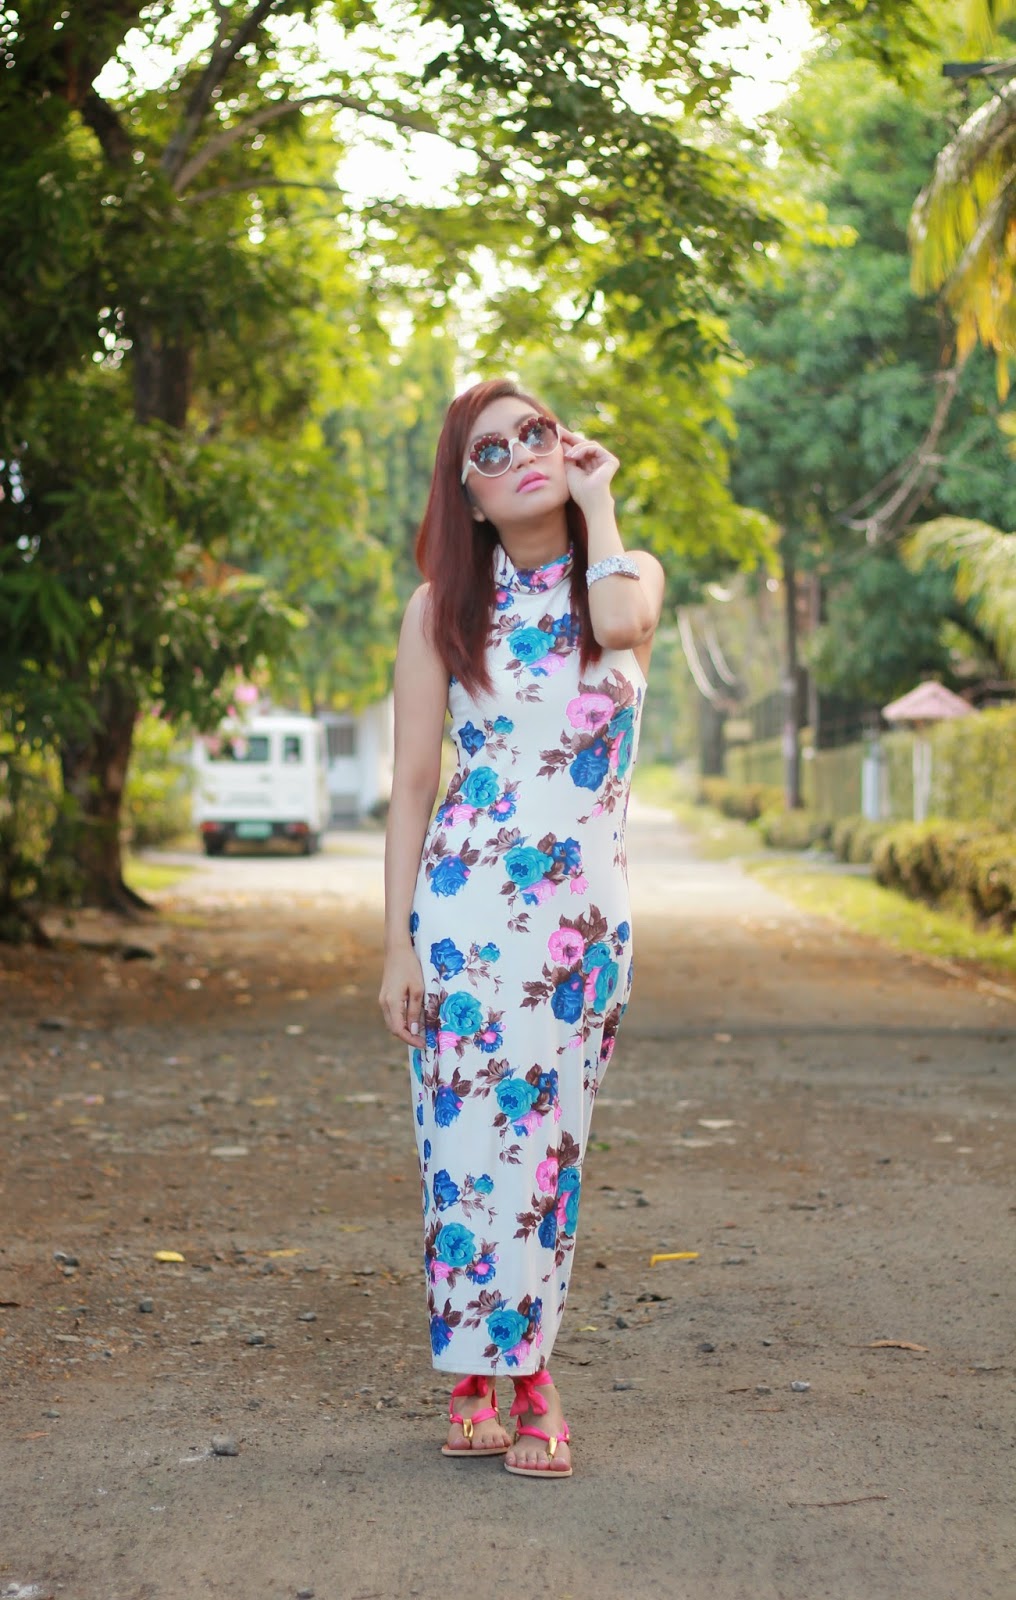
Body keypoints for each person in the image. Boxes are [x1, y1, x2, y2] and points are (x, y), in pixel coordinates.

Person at [378, 378, 664, 1479]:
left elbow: (619, 628)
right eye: (490, 451)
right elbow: (413, 785)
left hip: (581, 926)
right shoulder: (437, 610)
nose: (521, 456)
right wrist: (398, 944)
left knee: (548, 1150)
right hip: (464, 915)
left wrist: (598, 501)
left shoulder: (627, 574)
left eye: (535, 433)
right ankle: (474, 1375)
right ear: (468, 494)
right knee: (462, 1148)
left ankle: (531, 1366)